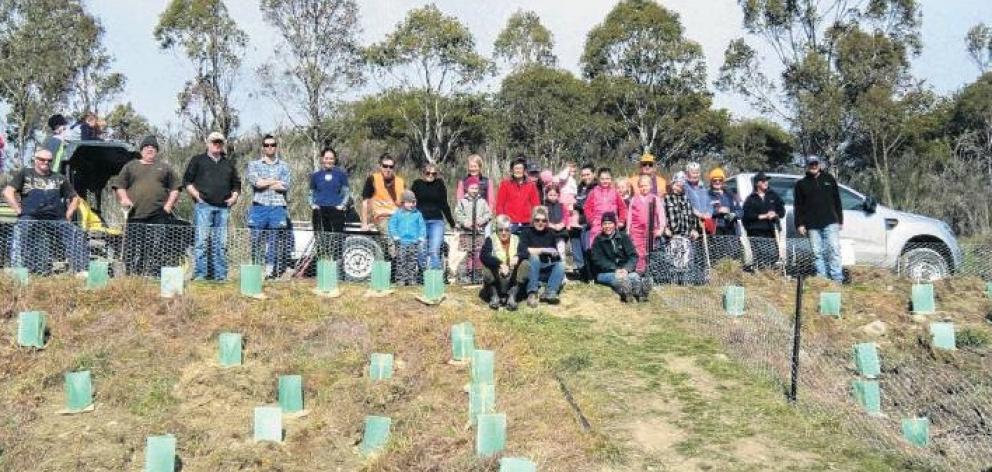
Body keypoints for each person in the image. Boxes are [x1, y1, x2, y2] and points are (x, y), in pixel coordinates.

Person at [2, 149, 87, 276]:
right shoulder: (25, 174)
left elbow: (75, 198)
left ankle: (81, 270)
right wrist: (18, 210)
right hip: (30, 217)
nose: (45, 162)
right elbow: (8, 192)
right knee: (21, 230)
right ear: (35, 160)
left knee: (75, 232)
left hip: (56, 218)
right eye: (42, 159)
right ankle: (22, 270)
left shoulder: (59, 178)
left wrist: (68, 214)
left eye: (49, 160)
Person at [112, 135, 182, 276]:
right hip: (134, 214)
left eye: (153, 148)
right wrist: (124, 199)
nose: (150, 149)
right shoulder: (130, 166)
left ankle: (153, 273)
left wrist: (168, 205)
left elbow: (176, 188)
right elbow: (120, 186)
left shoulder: (164, 168)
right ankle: (132, 273)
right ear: (141, 150)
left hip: (158, 214)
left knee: (156, 245)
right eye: (147, 147)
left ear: (156, 151)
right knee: (133, 246)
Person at [183, 131, 241, 281]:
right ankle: (201, 275)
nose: (217, 145)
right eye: (214, 142)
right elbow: (187, 181)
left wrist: (234, 197)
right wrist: (197, 196)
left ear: (223, 145)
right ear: (207, 143)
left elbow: (237, 184)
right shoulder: (197, 160)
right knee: (201, 242)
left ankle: (220, 276)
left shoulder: (228, 164)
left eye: (219, 142)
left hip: (223, 209)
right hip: (204, 207)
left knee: (220, 244)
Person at [246, 134, 292, 279]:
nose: (270, 147)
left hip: (278, 207)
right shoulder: (254, 165)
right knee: (256, 239)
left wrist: (266, 181)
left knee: (274, 240)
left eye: (272, 144)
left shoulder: (284, 166)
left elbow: (284, 186)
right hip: (259, 206)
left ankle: (270, 272)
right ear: (262, 147)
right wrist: (274, 181)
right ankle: (255, 269)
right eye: (267, 145)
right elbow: (257, 183)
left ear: (276, 147)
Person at [794, 156, 844, 282]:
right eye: (811, 164)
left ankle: (837, 278)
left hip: (830, 221)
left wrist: (840, 220)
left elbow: (837, 200)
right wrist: (799, 224)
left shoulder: (829, 179)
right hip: (812, 225)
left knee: (834, 249)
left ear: (819, 165)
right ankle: (823, 280)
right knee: (817, 253)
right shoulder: (801, 184)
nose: (814, 166)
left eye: (815, 163)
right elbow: (798, 206)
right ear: (807, 165)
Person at [590, 212, 649, 303]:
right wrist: (615, 269)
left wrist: (626, 269)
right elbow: (598, 260)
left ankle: (639, 293)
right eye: (605, 224)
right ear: (601, 225)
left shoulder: (624, 237)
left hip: (624, 270)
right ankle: (625, 293)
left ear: (615, 224)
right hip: (604, 272)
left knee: (634, 276)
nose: (607, 226)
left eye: (610, 223)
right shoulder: (598, 240)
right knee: (619, 278)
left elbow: (633, 256)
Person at [515, 206, 566, 306]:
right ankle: (532, 293)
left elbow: (555, 256)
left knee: (561, 264)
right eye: (537, 220)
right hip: (530, 268)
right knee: (534, 257)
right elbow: (523, 250)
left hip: (545, 267)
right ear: (532, 220)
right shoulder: (526, 232)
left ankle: (550, 291)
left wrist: (555, 254)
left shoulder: (550, 233)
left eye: (543, 220)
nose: (540, 223)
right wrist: (543, 250)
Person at [411, 163, 455, 270]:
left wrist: (452, 223)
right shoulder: (417, 184)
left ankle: (435, 277)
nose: (431, 175)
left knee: (434, 250)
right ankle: (422, 274)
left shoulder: (439, 184)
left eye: (434, 174)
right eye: (428, 173)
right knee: (421, 250)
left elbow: (444, 204)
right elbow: (411, 204)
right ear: (423, 173)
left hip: (436, 221)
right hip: (420, 221)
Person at [309, 147, 350, 260]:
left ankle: (337, 264)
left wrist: (342, 205)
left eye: (331, 158)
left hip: (336, 210)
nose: (329, 161)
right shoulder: (316, 176)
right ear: (322, 159)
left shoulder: (341, 175)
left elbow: (346, 192)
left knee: (337, 239)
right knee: (321, 238)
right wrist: (312, 205)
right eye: (326, 158)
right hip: (320, 210)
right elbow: (311, 193)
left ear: (335, 159)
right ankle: (323, 263)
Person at [743, 172, 786, 269]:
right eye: (763, 181)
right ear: (757, 183)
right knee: (760, 256)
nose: (766, 182)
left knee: (773, 255)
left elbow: (782, 211)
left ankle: (771, 275)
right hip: (756, 231)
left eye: (766, 180)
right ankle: (761, 275)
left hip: (772, 230)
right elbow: (747, 216)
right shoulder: (751, 199)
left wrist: (775, 214)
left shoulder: (773, 195)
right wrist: (764, 216)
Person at [479, 215, 520, 310]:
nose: (504, 233)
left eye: (507, 230)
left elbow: (524, 252)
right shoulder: (490, 239)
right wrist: (500, 264)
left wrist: (518, 257)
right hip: (497, 275)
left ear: (511, 229)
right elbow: (483, 255)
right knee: (486, 266)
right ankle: (494, 296)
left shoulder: (517, 239)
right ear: (496, 230)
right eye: (500, 230)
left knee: (525, 264)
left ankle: (512, 297)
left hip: (512, 276)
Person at [455, 176, 492, 281]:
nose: (474, 190)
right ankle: (464, 275)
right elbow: (458, 214)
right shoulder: (462, 201)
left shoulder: (482, 202)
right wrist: (465, 222)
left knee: (478, 253)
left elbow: (488, 214)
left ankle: (478, 275)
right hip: (466, 232)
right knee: (466, 254)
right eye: (472, 188)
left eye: (476, 188)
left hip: (479, 232)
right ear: (467, 188)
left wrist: (482, 221)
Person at [626, 174, 665, 273]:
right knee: (638, 251)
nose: (644, 188)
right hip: (636, 231)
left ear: (651, 186)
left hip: (651, 231)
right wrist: (628, 230)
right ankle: (639, 272)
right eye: (641, 186)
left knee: (650, 251)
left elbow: (661, 215)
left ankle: (650, 272)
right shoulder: (634, 199)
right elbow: (630, 215)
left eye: (646, 185)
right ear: (638, 187)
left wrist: (661, 228)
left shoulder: (655, 199)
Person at [388, 190, 426, 286]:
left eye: (413, 202)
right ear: (403, 203)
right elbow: (392, 224)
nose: (412, 204)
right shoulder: (398, 214)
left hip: (414, 242)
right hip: (401, 242)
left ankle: (411, 279)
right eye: (409, 202)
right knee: (401, 261)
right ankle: (400, 279)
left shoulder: (418, 214)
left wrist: (421, 237)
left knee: (412, 261)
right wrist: (395, 235)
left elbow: (422, 226)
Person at [361, 153, 405, 234]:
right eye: (385, 166)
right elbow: (365, 202)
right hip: (381, 218)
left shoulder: (400, 181)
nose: (388, 169)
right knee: (391, 235)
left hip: (399, 217)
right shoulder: (373, 179)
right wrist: (364, 223)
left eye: (391, 167)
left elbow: (405, 204)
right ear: (380, 166)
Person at [583, 167, 627, 247]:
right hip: (597, 225)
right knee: (597, 247)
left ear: (611, 179)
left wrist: (621, 221)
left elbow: (623, 207)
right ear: (598, 179)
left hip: (612, 224)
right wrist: (591, 220)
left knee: (612, 247)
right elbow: (587, 207)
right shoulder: (593, 192)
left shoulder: (615, 192)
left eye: (607, 178)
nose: (605, 181)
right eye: (602, 179)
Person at [495, 157, 540, 231]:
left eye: (520, 168)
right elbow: (500, 205)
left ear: (524, 170)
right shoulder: (505, 184)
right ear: (512, 170)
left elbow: (536, 204)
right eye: (516, 168)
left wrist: (535, 220)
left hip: (527, 222)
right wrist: (502, 220)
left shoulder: (531, 185)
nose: (518, 171)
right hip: (509, 222)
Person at [569, 163, 596, 280]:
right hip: (576, 221)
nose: (585, 177)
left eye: (588, 174)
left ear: (594, 174)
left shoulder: (596, 188)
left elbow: (588, 205)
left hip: (588, 222)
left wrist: (577, 204)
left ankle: (590, 271)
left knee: (587, 247)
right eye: (583, 175)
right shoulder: (579, 188)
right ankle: (580, 269)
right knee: (575, 244)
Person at [664, 172, 699, 240]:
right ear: (672, 183)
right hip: (671, 236)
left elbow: (692, 217)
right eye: (676, 185)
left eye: (681, 187)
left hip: (687, 236)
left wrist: (694, 229)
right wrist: (665, 228)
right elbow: (662, 216)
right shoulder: (666, 198)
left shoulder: (688, 199)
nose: (677, 189)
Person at [707, 168, 741, 236]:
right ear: (711, 181)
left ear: (723, 181)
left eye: (720, 180)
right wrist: (717, 211)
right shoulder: (707, 196)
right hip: (715, 232)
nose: (717, 182)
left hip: (731, 231)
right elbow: (703, 212)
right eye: (715, 180)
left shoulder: (730, 195)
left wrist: (729, 215)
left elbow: (740, 212)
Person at [684, 162, 713, 233]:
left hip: (705, 222)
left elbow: (709, 203)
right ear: (687, 173)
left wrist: (709, 214)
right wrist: (699, 214)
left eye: (697, 173)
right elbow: (685, 204)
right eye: (693, 173)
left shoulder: (703, 188)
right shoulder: (685, 187)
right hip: (692, 223)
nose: (695, 175)